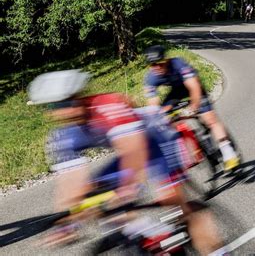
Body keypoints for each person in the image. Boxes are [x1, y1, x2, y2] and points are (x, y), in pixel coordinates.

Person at [27, 70, 222, 254]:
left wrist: (125, 190)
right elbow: (70, 186)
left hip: (158, 141)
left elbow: (136, 153)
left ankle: (215, 250)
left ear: (79, 96)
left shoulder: (107, 106)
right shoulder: (63, 136)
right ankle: (149, 237)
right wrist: (69, 223)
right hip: (129, 151)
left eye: (67, 103)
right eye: (55, 107)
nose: (64, 112)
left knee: (177, 204)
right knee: (96, 198)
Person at [143, 45, 240, 171]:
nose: (157, 67)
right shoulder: (151, 77)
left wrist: (194, 107)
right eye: (152, 65)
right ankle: (189, 143)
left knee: (210, 119)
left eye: (160, 63)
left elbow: (194, 86)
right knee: (164, 119)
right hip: (176, 92)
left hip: (194, 87)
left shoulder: (178, 64)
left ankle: (228, 152)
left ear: (166, 60)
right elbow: (153, 104)